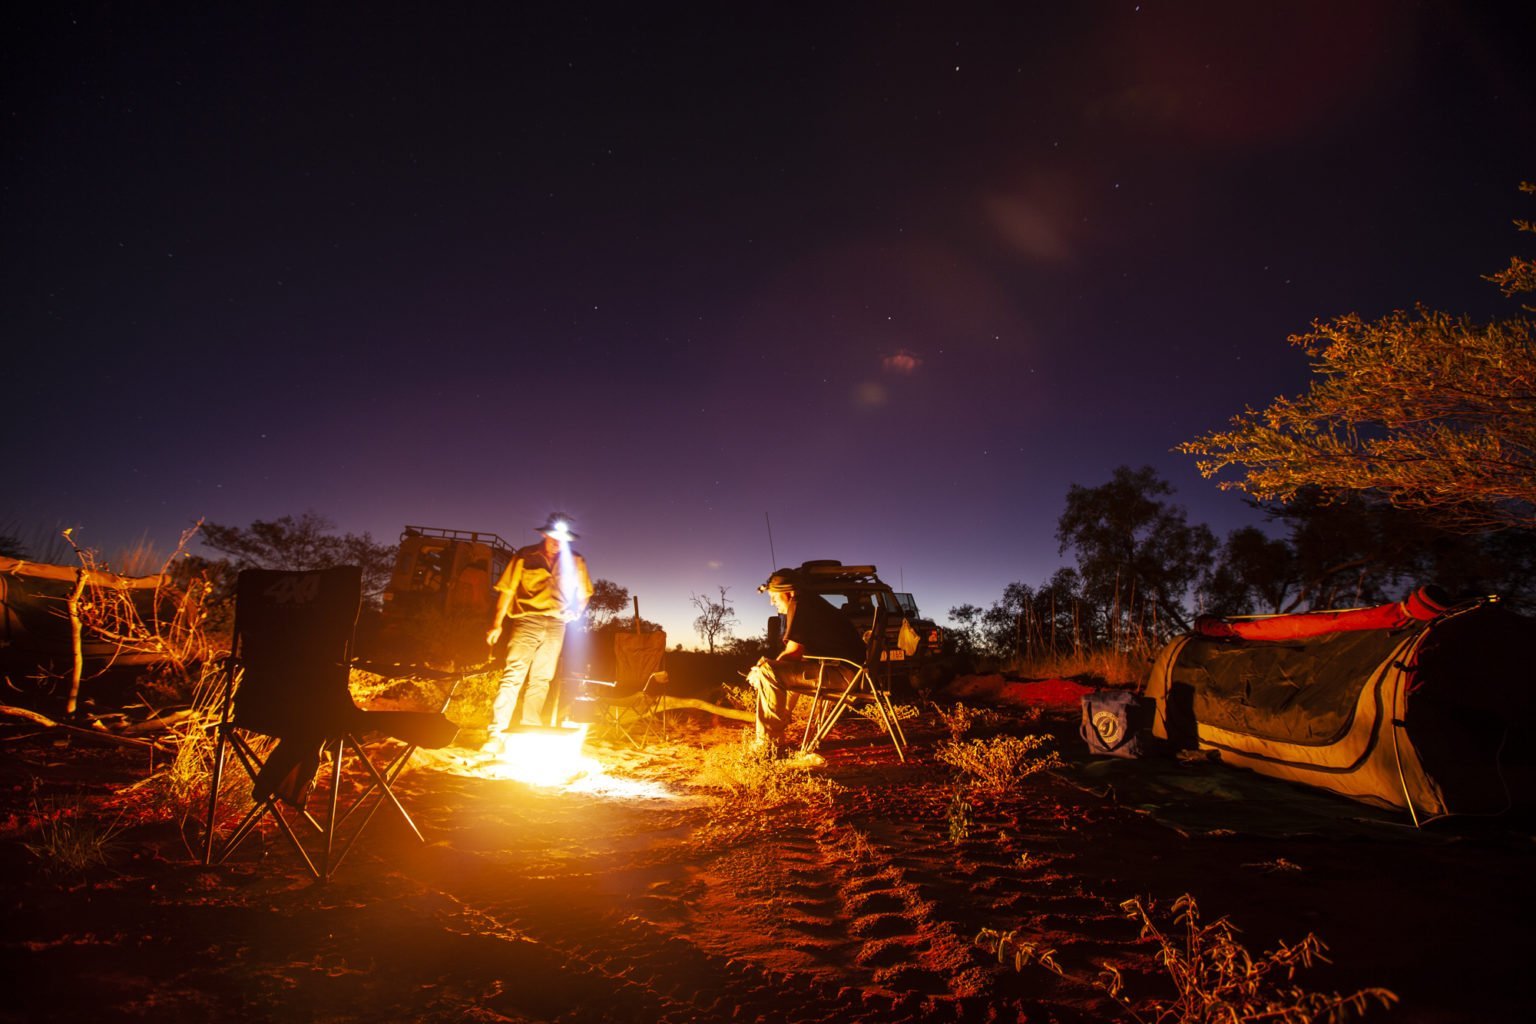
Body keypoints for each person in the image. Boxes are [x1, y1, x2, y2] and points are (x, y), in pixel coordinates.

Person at [483, 513, 593, 753]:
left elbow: (584, 594)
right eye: (553, 536)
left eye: (562, 538)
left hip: (556, 625)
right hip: (526, 621)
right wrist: (497, 623)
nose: (557, 541)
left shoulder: (576, 561)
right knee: (513, 676)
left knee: (541, 679)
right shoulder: (525, 556)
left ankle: (529, 727)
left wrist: (575, 612)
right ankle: (496, 733)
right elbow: (507, 591)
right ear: (544, 534)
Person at [745, 568, 864, 755]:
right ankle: (778, 726)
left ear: (789, 593)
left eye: (775, 598)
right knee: (772, 668)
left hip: (845, 675)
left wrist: (762, 669)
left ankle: (768, 745)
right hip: (849, 671)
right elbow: (796, 657)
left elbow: (793, 653)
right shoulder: (810, 603)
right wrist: (768, 664)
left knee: (769, 672)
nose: (772, 603)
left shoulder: (801, 605)